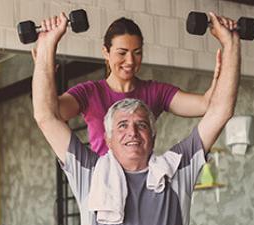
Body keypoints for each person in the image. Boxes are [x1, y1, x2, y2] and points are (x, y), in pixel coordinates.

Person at [32, 11, 240, 225]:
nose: (132, 131)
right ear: (108, 139)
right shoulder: (90, 172)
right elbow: (46, 115)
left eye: (142, 124)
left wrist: (231, 45)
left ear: (154, 135)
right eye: (123, 125)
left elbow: (218, 110)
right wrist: (48, 46)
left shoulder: (177, 168)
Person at [57, 16, 221, 156]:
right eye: (122, 53)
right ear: (106, 52)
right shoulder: (89, 92)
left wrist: (227, 52)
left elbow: (207, 105)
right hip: (103, 186)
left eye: (137, 52)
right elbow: (51, 112)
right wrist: (46, 61)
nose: (130, 61)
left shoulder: (155, 92)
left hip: (144, 185)